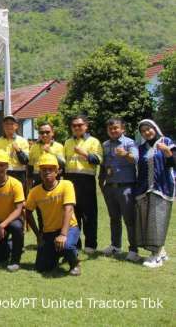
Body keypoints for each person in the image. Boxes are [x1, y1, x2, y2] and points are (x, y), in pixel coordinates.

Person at [25, 154, 81, 276]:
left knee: (66, 245)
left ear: (57, 172)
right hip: (48, 231)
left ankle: (75, 263)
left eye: (50, 169)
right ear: (40, 172)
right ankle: (56, 255)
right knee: (41, 267)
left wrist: (63, 234)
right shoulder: (35, 191)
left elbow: (68, 209)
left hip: (69, 228)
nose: (47, 172)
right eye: (44, 169)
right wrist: (38, 235)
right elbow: (27, 212)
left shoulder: (66, 185)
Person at [135, 119, 175, 268]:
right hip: (145, 190)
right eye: (143, 131)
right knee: (147, 223)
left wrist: (167, 152)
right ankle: (161, 252)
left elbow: (174, 163)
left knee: (158, 221)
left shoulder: (167, 141)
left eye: (149, 129)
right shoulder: (141, 148)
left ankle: (156, 256)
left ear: (155, 128)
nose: (147, 132)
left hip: (162, 188)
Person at [99, 118, 141, 262]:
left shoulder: (129, 142)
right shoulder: (105, 145)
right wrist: (101, 184)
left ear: (123, 129)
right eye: (110, 129)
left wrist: (126, 154)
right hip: (110, 187)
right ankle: (115, 246)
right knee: (114, 218)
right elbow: (103, 165)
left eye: (116, 128)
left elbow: (135, 159)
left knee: (129, 219)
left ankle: (134, 250)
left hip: (126, 187)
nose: (113, 131)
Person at [63, 114, 103, 254]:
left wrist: (84, 154)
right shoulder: (67, 142)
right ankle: (75, 243)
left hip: (86, 180)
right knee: (73, 213)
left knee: (89, 214)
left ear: (86, 126)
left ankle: (90, 245)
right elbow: (64, 163)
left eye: (80, 125)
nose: (77, 128)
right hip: (70, 180)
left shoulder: (94, 141)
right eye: (74, 126)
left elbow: (98, 160)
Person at [0, 115, 29, 188]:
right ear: (3, 126)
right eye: (6, 124)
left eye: (11, 124)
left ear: (16, 126)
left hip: (18, 173)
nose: (9, 126)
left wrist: (18, 151)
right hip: (2, 173)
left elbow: (25, 161)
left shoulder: (23, 141)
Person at [28, 121, 65, 186]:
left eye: (47, 132)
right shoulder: (33, 147)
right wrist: (29, 184)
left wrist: (50, 151)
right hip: (37, 180)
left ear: (52, 133)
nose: (44, 135)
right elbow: (30, 168)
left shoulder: (59, 146)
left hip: (53, 179)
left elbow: (62, 164)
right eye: (42, 132)